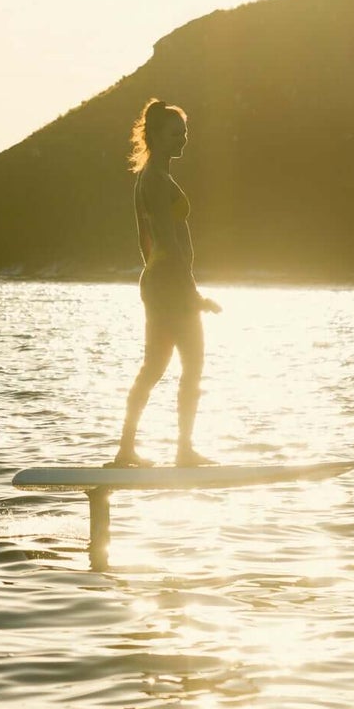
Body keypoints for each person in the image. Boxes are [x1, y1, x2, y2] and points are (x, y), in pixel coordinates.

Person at [112, 99, 219, 467]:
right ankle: (182, 451)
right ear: (155, 136)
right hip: (171, 285)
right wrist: (191, 294)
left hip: (161, 282)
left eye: (185, 133)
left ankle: (128, 450)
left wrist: (154, 279)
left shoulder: (150, 178)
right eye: (175, 134)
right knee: (191, 365)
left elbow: (145, 242)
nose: (183, 139)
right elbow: (167, 242)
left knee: (155, 368)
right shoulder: (156, 181)